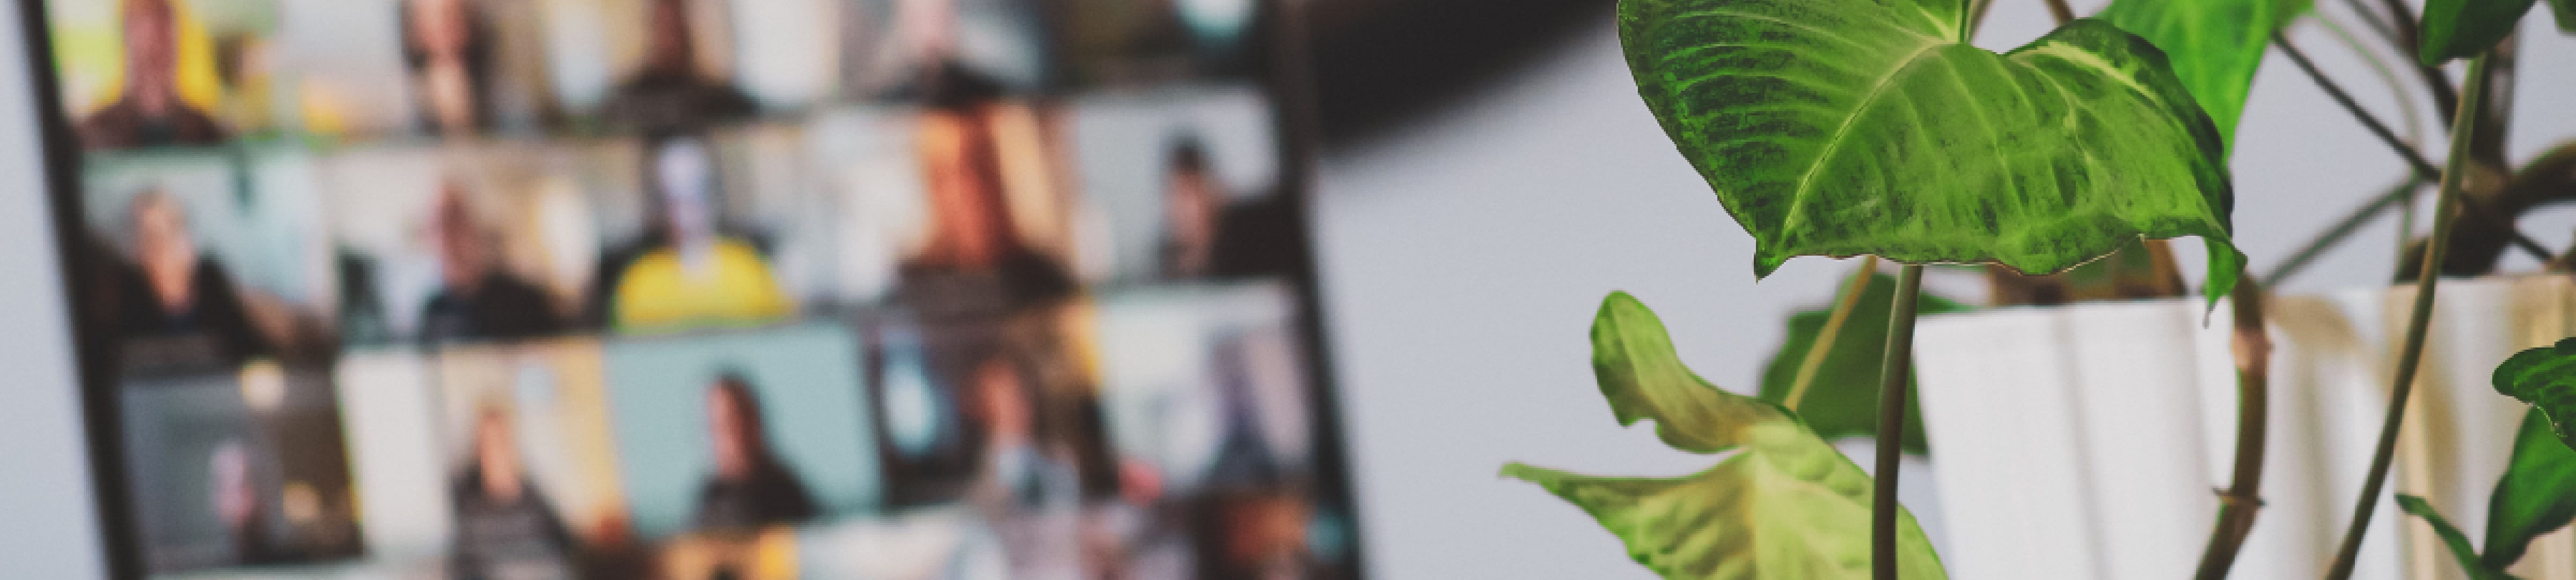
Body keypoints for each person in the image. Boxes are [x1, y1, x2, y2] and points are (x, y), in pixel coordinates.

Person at [897, 62, 1074, 309]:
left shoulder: (1046, 282)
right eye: (945, 175)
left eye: (980, 166)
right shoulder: (913, 287)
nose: (966, 190)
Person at [599, 135, 795, 330]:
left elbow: (782, 343)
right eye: (670, 196)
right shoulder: (637, 284)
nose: (681, 209)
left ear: (713, 194)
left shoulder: (752, 272)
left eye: (693, 193)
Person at [112, 189, 272, 368]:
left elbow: (254, 355)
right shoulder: (121, 301)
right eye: (148, 236)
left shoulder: (213, 285)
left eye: (173, 228)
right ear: (133, 248)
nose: (163, 245)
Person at [418, 183, 566, 344]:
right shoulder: (432, 311)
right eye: (436, 225)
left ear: (476, 225)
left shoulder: (526, 302)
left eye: (455, 220)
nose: (445, 237)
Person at [449, 403, 582, 579]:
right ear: (477, 449)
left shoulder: (536, 500)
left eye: (501, 440)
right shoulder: (470, 509)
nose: (495, 450)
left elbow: (568, 548)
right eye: (487, 442)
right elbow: (464, 566)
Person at [78, 0, 228, 149]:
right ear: (128, 37)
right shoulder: (96, 131)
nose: (160, 39)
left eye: (166, 23)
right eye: (147, 24)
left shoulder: (206, 130)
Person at [598, 0, 756, 133]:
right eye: (664, 26)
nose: (670, 37)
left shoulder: (720, 96)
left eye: (677, 24)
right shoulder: (626, 98)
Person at [1155, 134, 1298, 280]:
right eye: (1176, 194)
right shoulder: (1165, 258)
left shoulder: (1254, 241)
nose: (1183, 207)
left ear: (1215, 191)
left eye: (1191, 192)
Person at [691, 373, 820, 533]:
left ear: (757, 422)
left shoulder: (789, 494)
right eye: (722, 425)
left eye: (741, 419)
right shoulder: (707, 503)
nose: (735, 434)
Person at [399, 0, 495, 134]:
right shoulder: (404, 106)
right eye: (431, 20)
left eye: (450, 16)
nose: (442, 27)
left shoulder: (505, 100)